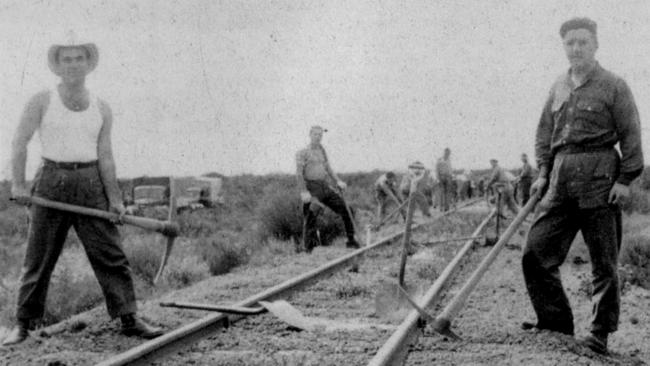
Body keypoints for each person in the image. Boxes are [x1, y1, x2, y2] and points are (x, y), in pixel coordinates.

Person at [4, 36, 163, 346]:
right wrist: (19, 184)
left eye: (79, 59)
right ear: (58, 65)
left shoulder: (101, 107)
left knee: (110, 254)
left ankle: (129, 317)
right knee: (38, 257)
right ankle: (23, 324)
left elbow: (106, 156)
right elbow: (18, 142)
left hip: (91, 183)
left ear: (89, 64)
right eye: (67, 59)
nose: (73, 64)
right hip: (51, 183)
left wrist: (115, 199)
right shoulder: (41, 100)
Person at [521, 18, 643, 355]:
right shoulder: (558, 85)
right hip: (560, 180)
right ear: (564, 46)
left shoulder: (614, 85)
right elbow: (544, 133)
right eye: (570, 42)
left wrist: (625, 180)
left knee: (603, 263)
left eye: (583, 42)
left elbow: (631, 134)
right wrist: (543, 171)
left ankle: (599, 334)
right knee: (535, 252)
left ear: (595, 45)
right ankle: (555, 323)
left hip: (600, 181)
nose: (576, 48)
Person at [296, 125, 359, 253]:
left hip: (324, 186)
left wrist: (338, 181)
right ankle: (308, 250)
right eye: (316, 134)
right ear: (310, 135)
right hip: (312, 188)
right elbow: (299, 173)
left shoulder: (322, 150)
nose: (318, 137)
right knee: (310, 216)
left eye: (320, 135)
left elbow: (328, 168)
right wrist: (303, 191)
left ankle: (351, 240)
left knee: (347, 209)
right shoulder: (302, 153)